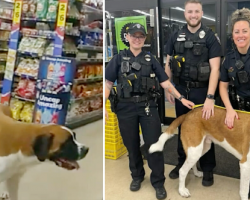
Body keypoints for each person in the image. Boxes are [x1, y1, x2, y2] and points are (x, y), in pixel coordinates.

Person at [105, 23, 194, 200]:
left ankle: (158, 182)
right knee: (131, 145)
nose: (137, 39)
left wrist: (181, 98)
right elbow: (107, 83)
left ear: (144, 39)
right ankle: (137, 176)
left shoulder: (150, 59)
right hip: (125, 108)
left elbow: (165, 83)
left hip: (148, 107)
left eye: (141, 36)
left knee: (154, 145)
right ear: (127, 37)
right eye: (134, 36)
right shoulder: (118, 58)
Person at [164, 0, 222, 186]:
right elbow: (168, 64)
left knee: (208, 130)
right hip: (181, 91)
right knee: (183, 129)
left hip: (203, 92)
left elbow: (215, 69)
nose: (193, 15)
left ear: (202, 12)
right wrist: (169, 89)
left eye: (196, 11)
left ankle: (207, 169)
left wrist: (210, 97)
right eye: (190, 11)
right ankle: (182, 163)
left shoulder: (210, 37)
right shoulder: (175, 36)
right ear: (185, 13)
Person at [219, 7, 250, 197]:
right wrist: (229, 110)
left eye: (245, 31)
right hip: (239, 110)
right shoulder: (228, 58)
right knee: (244, 150)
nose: (241, 35)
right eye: (237, 32)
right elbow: (222, 87)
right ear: (232, 35)